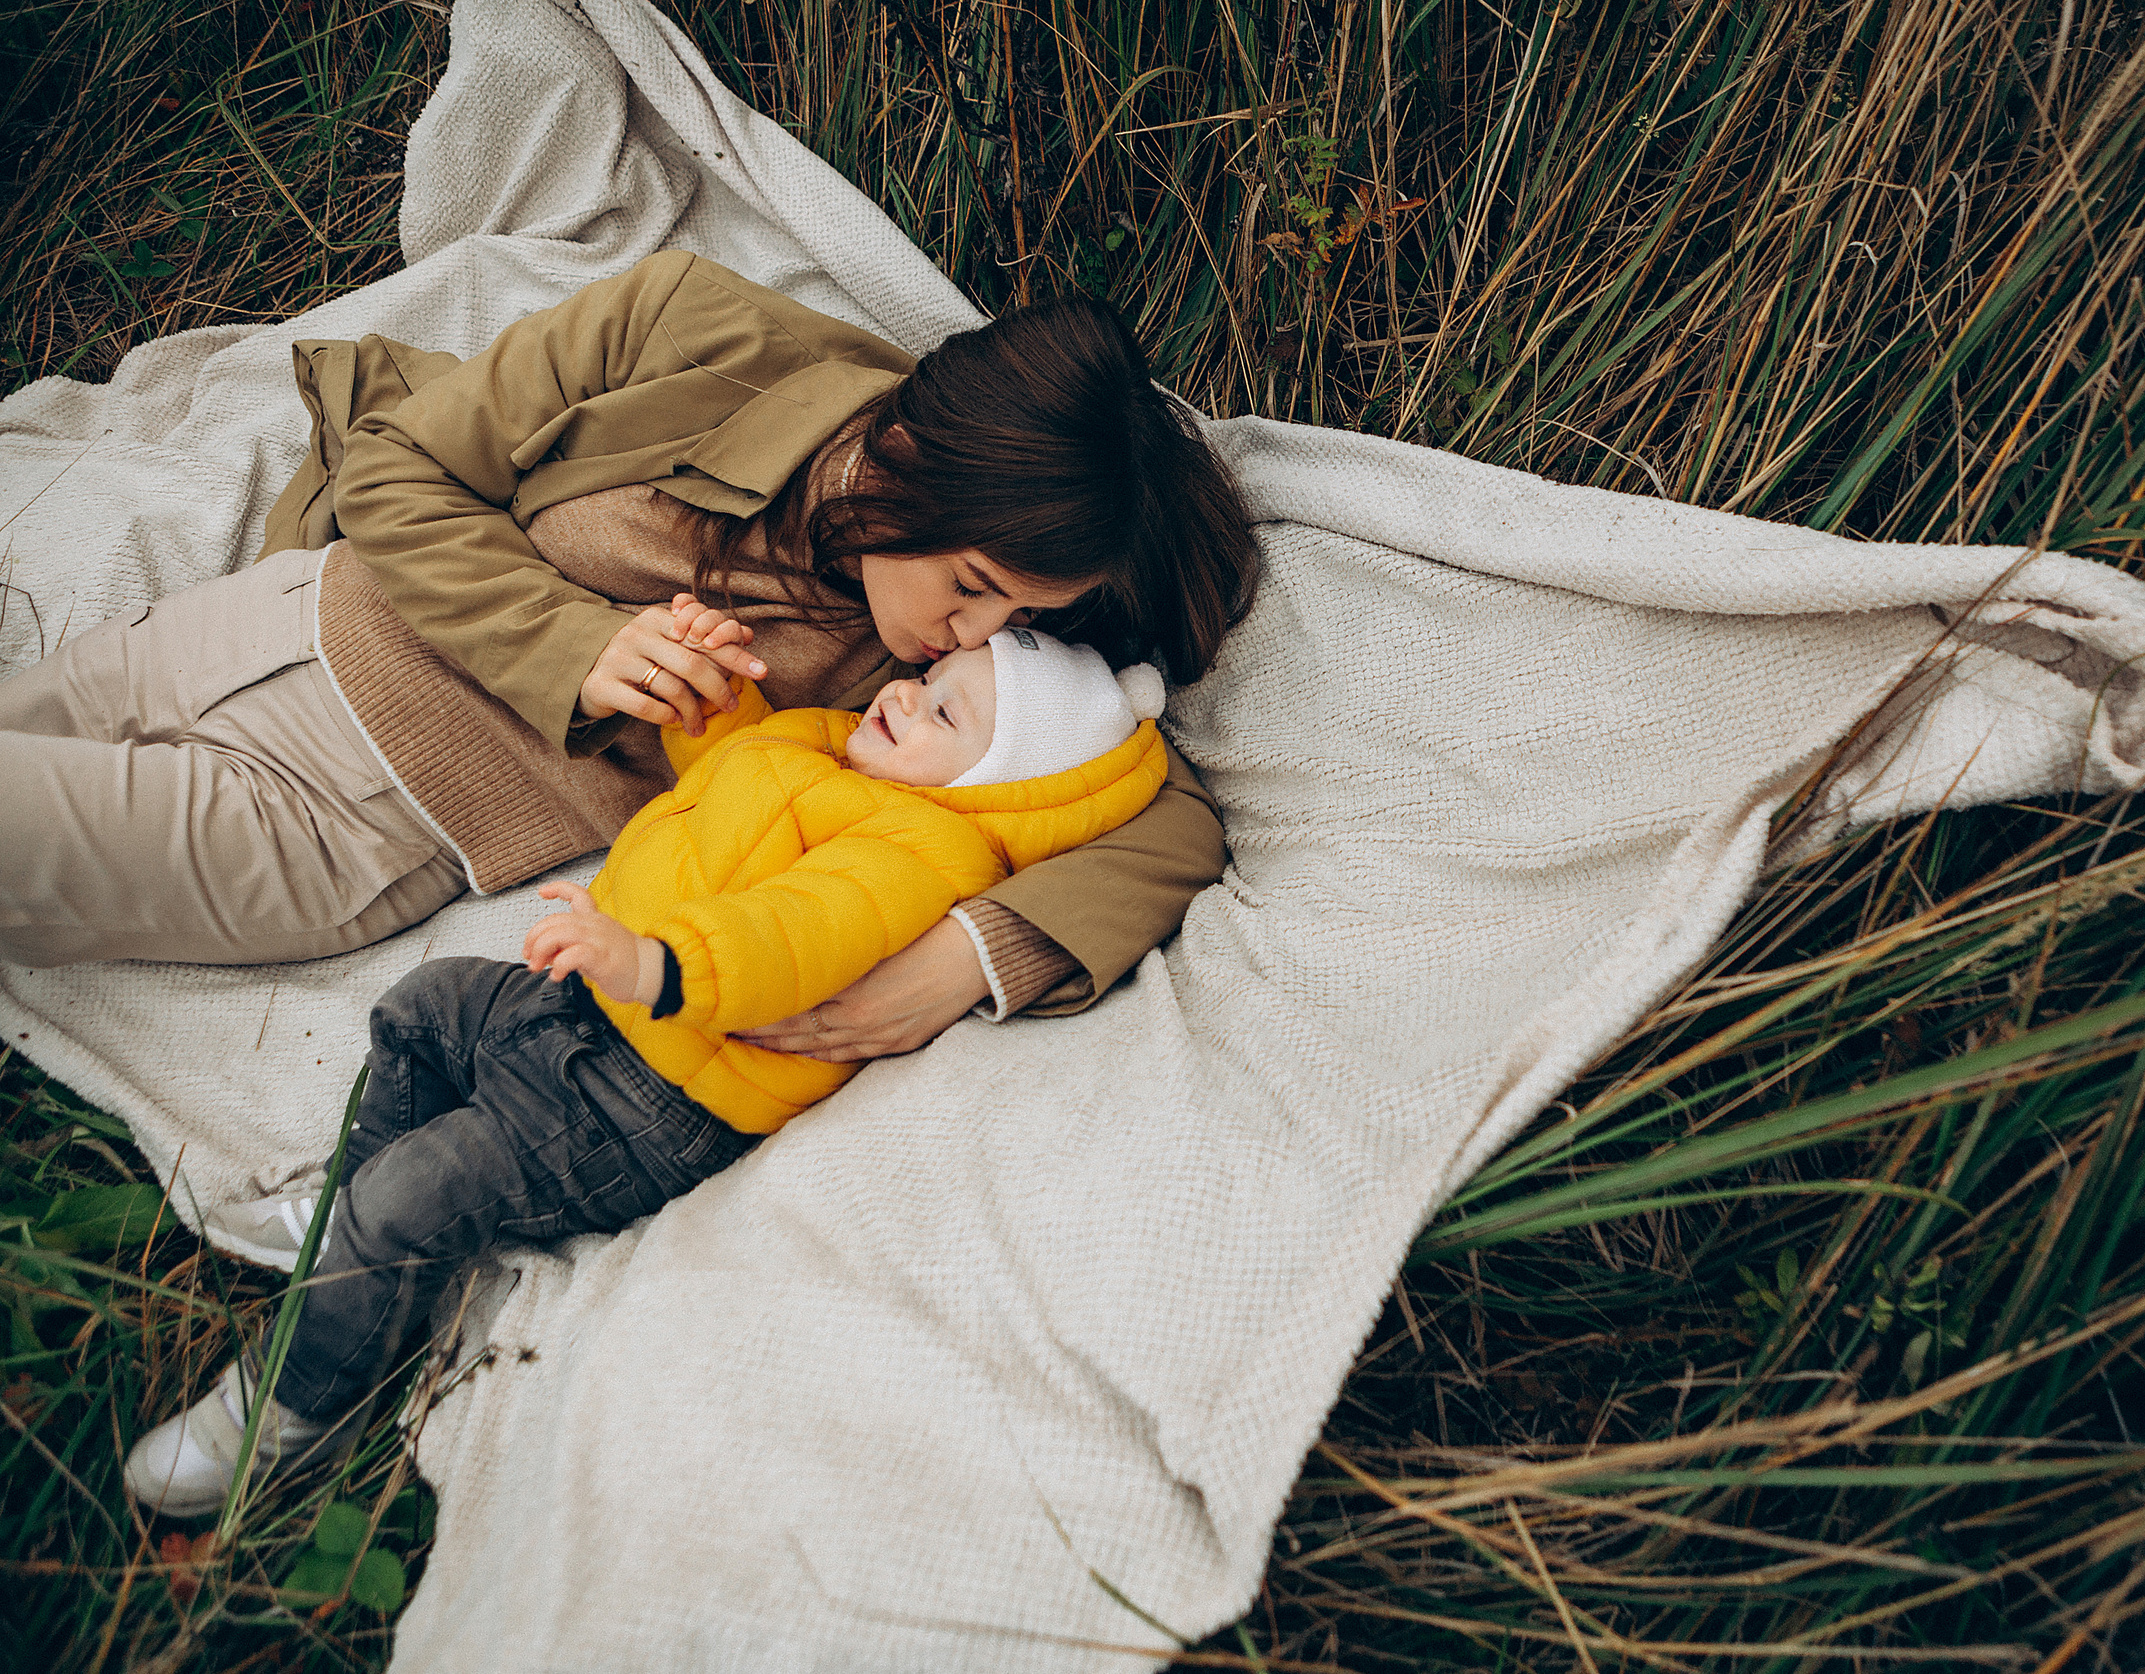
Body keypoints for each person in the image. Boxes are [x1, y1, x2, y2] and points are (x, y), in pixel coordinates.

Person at [0, 248, 1256, 1064]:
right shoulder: (695, 329)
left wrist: (965, 961)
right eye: (974, 588)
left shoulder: (935, 687)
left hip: (344, 818)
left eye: (1013, 618)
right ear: (909, 462)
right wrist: (579, 646)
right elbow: (400, 466)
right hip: (256, 624)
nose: (975, 637)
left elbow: (1162, 816)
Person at [124, 613, 1171, 1514]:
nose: (907, 693)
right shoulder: (834, 750)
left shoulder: (922, 852)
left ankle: (296, 1405)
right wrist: (705, 705)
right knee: (423, 1005)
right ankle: (352, 1232)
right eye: (930, 679)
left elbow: (796, 935)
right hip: (590, 1006)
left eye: (949, 714)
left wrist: (653, 961)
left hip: (648, 1100)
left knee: (425, 1186)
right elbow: (732, 791)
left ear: (1000, 782)